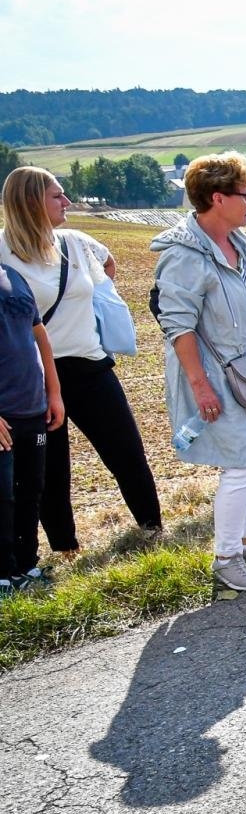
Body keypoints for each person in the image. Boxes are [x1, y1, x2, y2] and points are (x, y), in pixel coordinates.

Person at [153, 151, 246, 592]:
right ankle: (226, 558)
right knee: (239, 466)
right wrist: (200, 387)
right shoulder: (183, 257)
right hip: (217, 378)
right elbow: (177, 326)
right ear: (218, 198)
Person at [1, 167, 162, 561]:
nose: (67, 202)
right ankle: (67, 549)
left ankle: (153, 532)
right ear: (30, 201)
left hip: (90, 366)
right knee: (51, 473)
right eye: (58, 196)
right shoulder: (2, 253)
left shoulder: (73, 242)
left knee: (126, 452)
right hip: (35, 378)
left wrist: (99, 300)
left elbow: (108, 264)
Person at [0, 251, 65, 596]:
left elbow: (40, 336)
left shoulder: (12, 276)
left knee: (31, 491)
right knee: (2, 498)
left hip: (33, 409)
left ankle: (26, 566)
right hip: (3, 416)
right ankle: (3, 577)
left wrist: (53, 393)